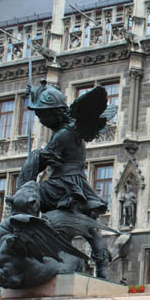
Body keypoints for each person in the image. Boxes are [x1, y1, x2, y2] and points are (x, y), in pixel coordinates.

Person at [22, 80, 112, 278]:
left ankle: (25, 234)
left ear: (55, 113)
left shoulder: (62, 135)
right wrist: (35, 93)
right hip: (77, 183)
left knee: (29, 194)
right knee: (92, 229)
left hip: (62, 184)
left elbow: (44, 159)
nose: (41, 120)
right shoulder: (73, 130)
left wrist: (32, 162)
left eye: (42, 115)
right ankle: (102, 269)